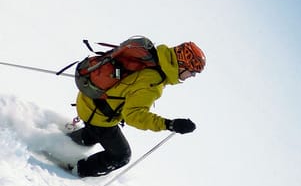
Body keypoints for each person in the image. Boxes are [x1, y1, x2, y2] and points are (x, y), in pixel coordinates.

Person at [66, 41, 204, 177]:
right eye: (192, 72)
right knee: (121, 156)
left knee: (95, 135)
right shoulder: (153, 82)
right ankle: (75, 171)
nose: (191, 77)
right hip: (98, 114)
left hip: (89, 97)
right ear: (181, 65)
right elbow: (133, 116)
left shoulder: (153, 56)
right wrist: (169, 124)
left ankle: (64, 143)